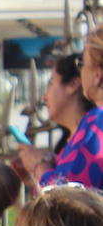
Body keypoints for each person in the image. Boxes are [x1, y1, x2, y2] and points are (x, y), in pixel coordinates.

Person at [21, 32, 103, 192]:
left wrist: (39, 165)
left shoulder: (97, 120)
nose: (81, 70)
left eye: (83, 63)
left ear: (97, 75)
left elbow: (69, 198)